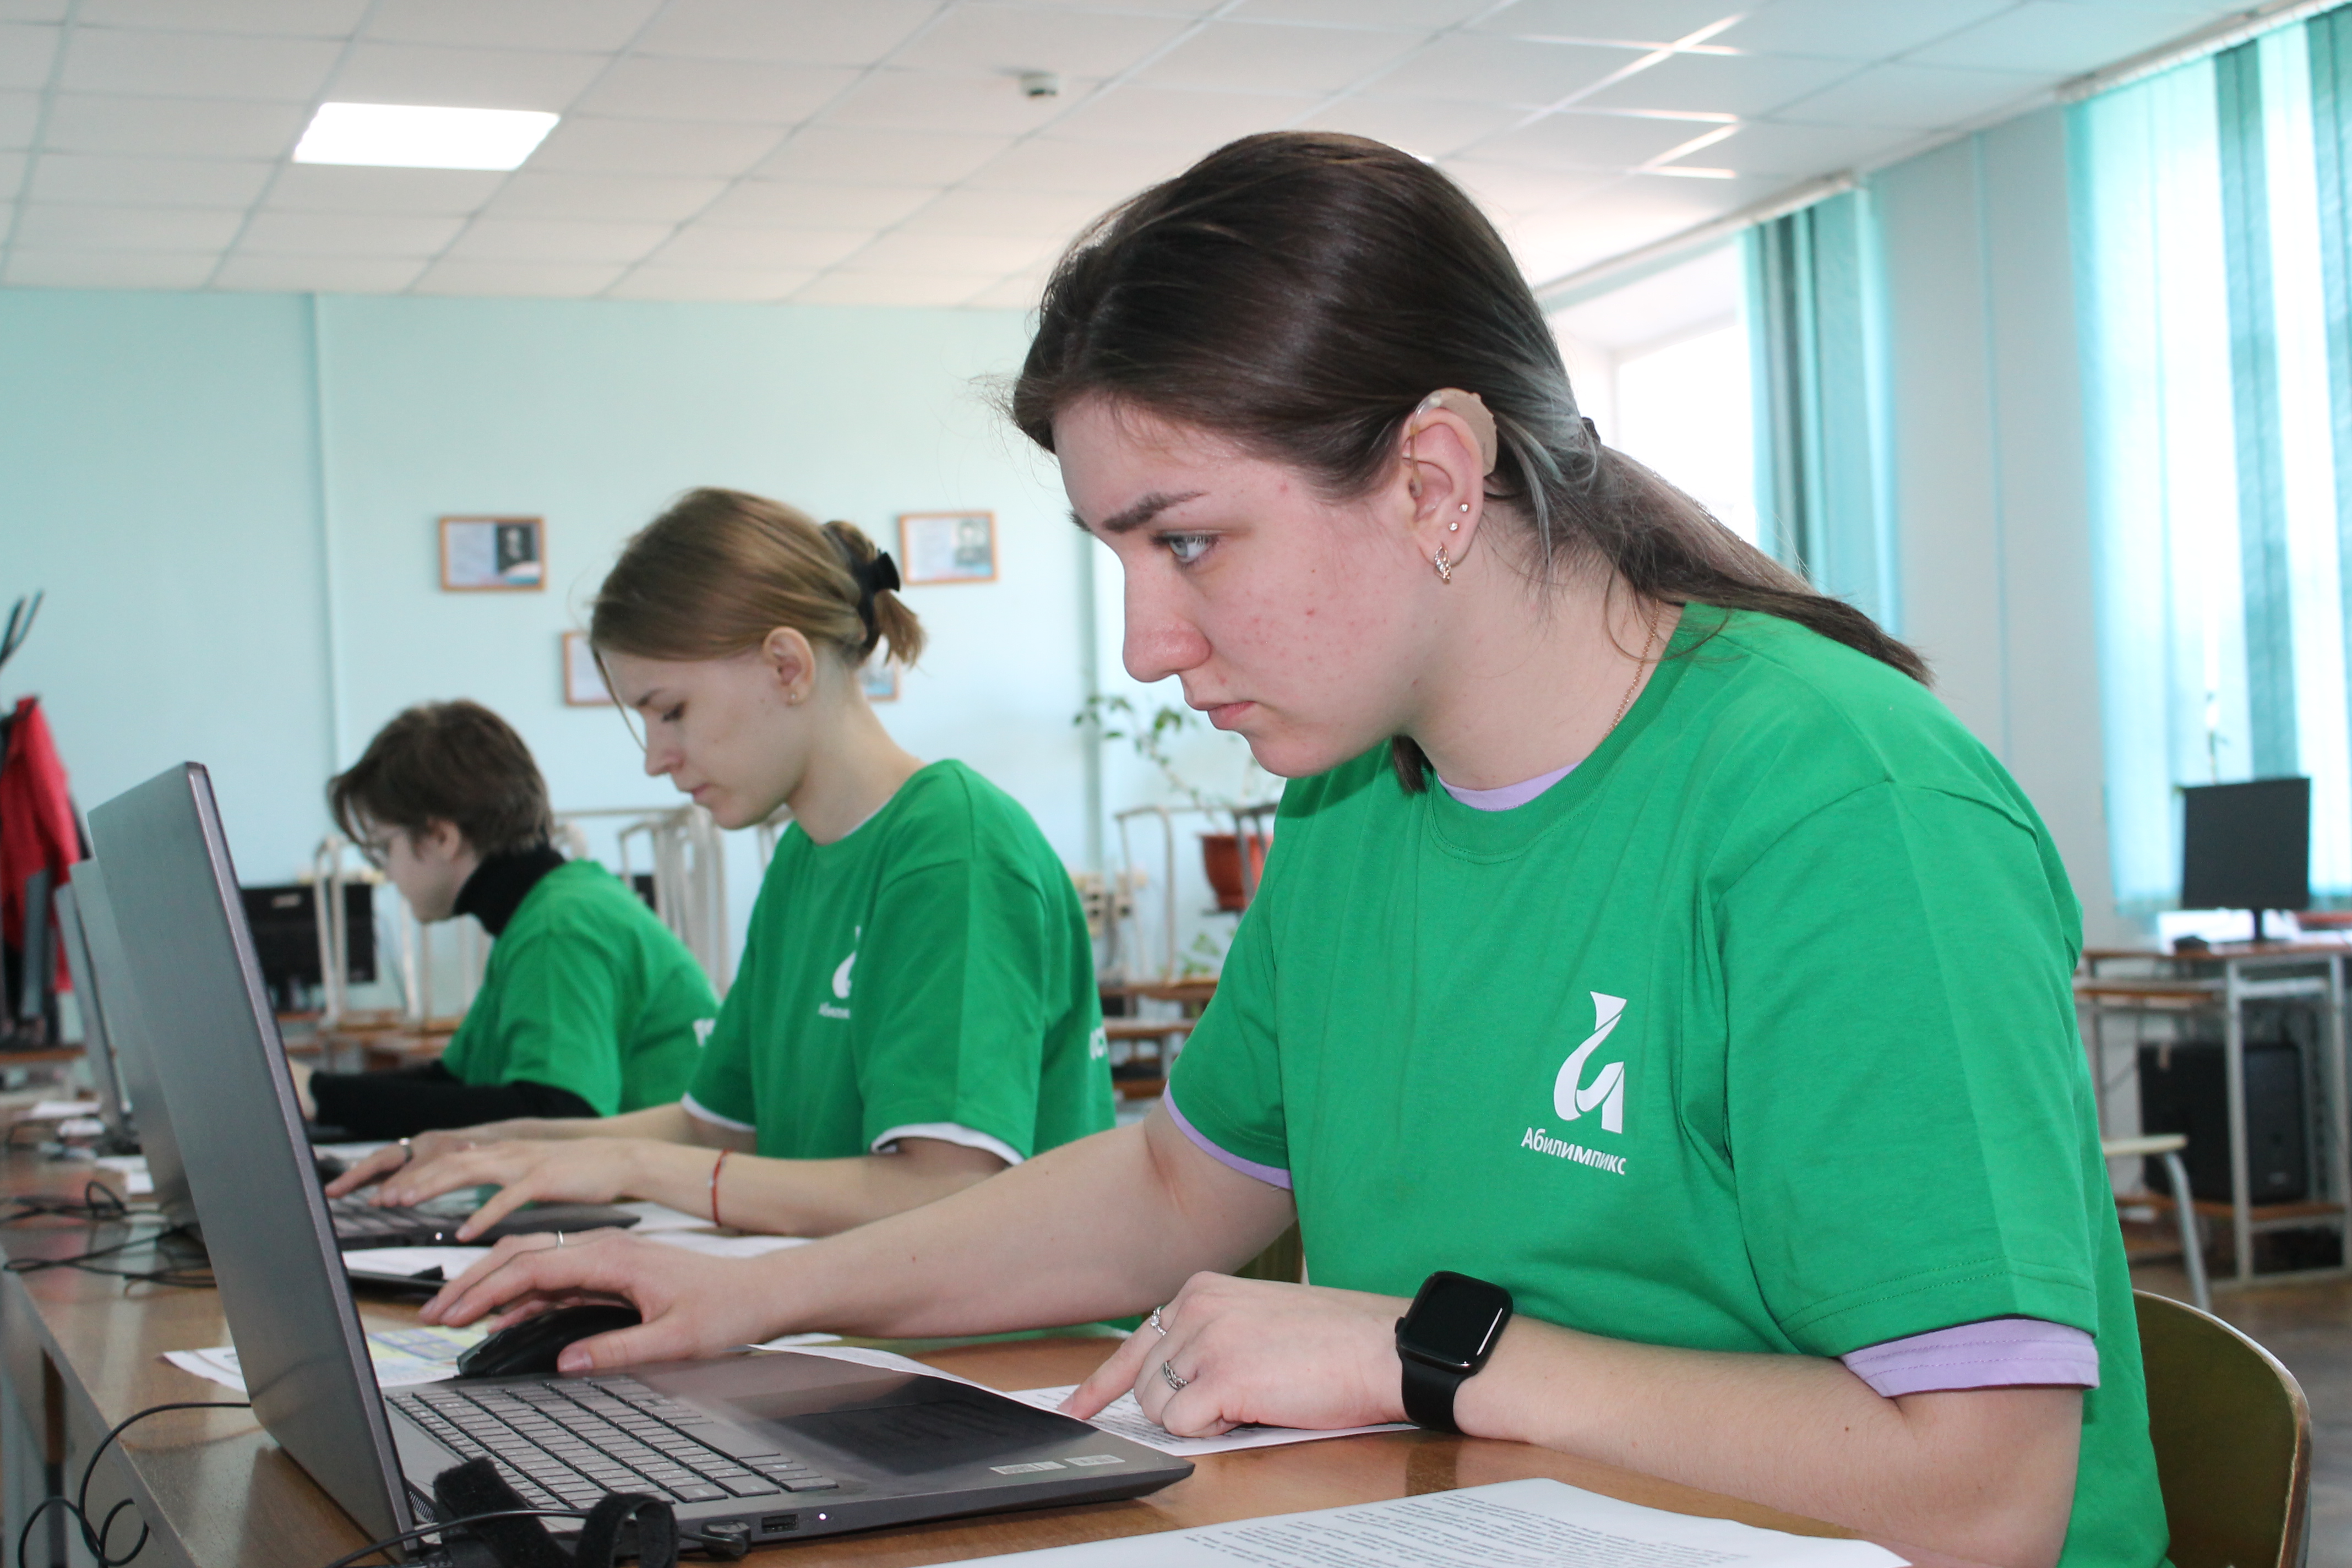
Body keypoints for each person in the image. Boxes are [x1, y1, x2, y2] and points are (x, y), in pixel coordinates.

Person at [411, 135, 2164, 1567]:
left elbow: (1981, 1492)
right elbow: (1175, 1192)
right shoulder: (1353, 797)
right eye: (1116, 555)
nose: (1143, 642)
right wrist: (754, 1300)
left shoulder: (1839, 809)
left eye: (1185, 542)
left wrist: (1431, 1354)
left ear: (1434, 478)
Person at [331, 491, 1114, 1241]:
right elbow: (717, 1128)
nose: (655, 759)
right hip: (844, 1311)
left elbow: (943, 1190)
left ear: (787, 667)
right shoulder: (803, 857)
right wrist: (493, 1145)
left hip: (1007, 1332)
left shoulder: (953, 846)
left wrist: (630, 1165)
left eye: (670, 711)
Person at [299, 701, 717, 1140]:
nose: (385, 872)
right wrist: (317, 1094)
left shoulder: (559, 927)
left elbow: (558, 1114)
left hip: (667, 1183)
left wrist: (320, 1094)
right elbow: (456, 1084)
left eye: (384, 849)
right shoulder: (547, 907)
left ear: (441, 837)